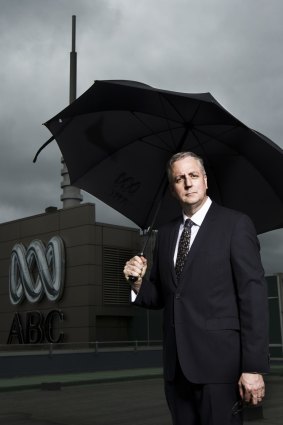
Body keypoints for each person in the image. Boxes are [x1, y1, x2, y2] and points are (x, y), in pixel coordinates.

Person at [123, 151, 269, 425]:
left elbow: (253, 298)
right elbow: (162, 297)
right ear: (172, 189)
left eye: (193, 175)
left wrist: (253, 368)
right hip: (177, 369)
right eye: (180, 178)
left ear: (205, 180)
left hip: (221, 369)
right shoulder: (165, 234)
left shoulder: (235, 225)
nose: (188, 183)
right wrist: (138, 281)